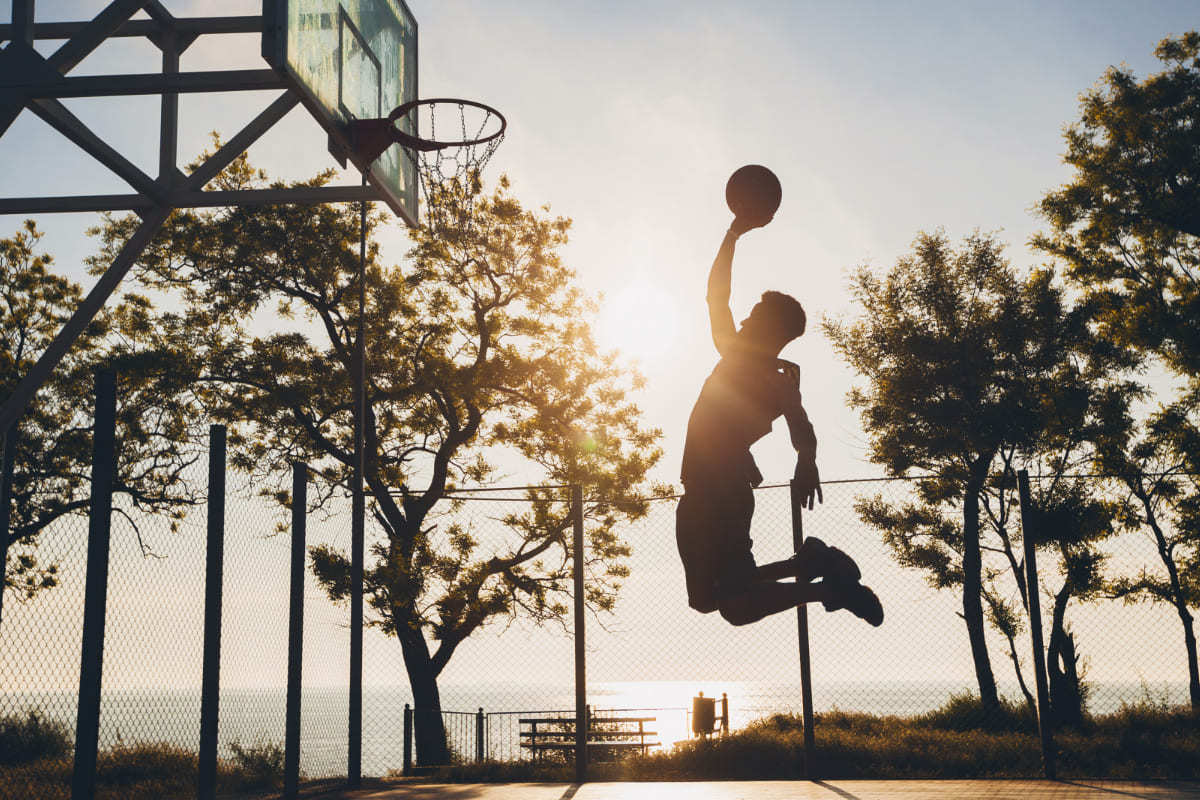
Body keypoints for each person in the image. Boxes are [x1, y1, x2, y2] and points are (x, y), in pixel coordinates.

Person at [676, 214, 883, 627]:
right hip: (704, 488)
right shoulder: (773, 376)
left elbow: (716, 297)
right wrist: (804, 458)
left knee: (734, 604)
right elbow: (797, 424)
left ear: (770, 330)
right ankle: (813, 563)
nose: (746, 319)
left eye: (754, 315)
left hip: (723, 493)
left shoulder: (756, 368)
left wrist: (734, 232)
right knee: (707, 599)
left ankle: (825, 584)